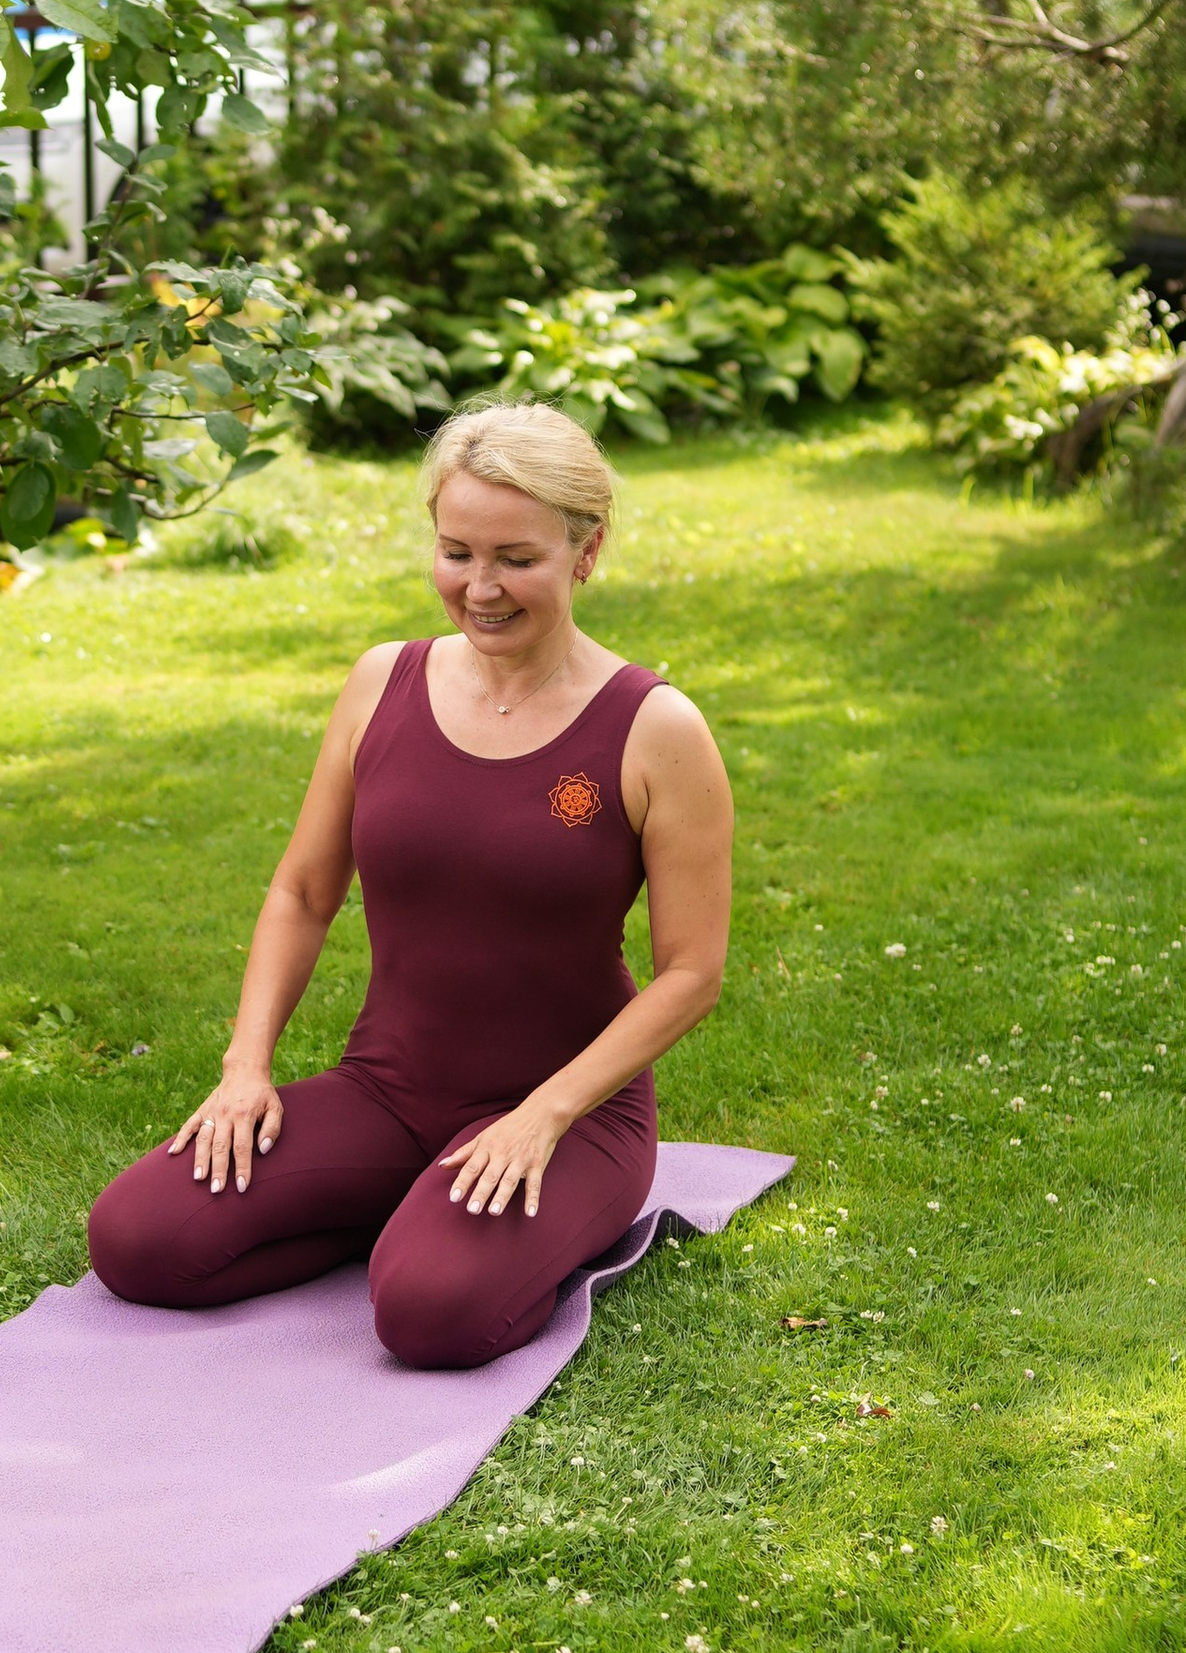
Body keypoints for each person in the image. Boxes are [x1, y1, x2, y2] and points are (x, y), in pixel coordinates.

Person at [87, 400, 733, 1369]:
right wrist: (243, 1069)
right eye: (455, 552)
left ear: (585, 552)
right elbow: (303, 892)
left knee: (431, 1315)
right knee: (138, 1240)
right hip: (386, 1093)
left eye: (516, 558)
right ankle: (400, 1206)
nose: (480, 588)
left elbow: (691, 972)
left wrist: (543, 1116)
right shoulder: (379, 682)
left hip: (568, 1115)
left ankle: (448, 1228)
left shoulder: (655, 727)